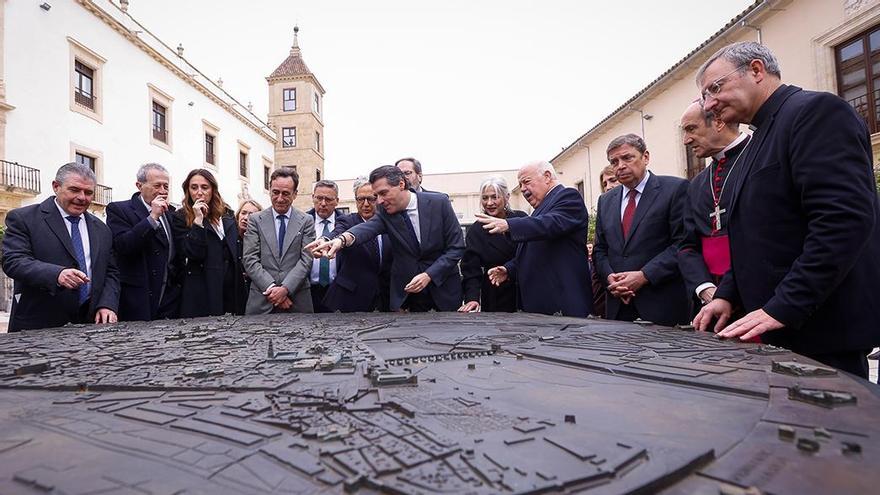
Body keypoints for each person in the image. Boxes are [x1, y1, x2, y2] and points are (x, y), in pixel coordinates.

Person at [693, 41, 880, 378]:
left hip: (821, 331)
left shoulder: (816, 112)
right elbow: (757, 237)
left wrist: (786, 305)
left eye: (714, 89)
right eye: (705, 96)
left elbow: (843, 220)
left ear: (756, 70)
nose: (709, 104)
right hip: (779, 328)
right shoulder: (756, 141)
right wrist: (727, 296)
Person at [307, 165, 464, 312]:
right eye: (377, 196)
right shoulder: (385, 212)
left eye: (383, 193)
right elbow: (365, 229)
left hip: (444, 290)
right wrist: (339, 240)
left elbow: (456, 248)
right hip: (410, 297)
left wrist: (429, 274)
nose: (379, 201)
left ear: (401, 184)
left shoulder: (439, 203)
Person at [2, 162, 119, 331]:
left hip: (90, 327)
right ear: (56, 187)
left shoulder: (102, 229)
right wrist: (57, 274)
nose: (82, 197)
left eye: (88, 192)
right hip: (38, 327)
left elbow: (111, 272)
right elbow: (14, 261)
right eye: (74, 190)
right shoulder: (24, 218)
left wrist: (107, 304)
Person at [592, 134, 689, 326]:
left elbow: (683, 244)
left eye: (627, 158)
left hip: (661, 304)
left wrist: (644, 276)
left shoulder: (675, 189)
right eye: (614, 161)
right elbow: (600, 249)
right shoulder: (606, 201)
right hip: (618, 304)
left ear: (645, 157)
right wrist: (610, 278)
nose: (620, 165)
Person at [477, 161, 592, 317]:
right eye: (520, 184)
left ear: (547, 176)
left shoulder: (568, 197)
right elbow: (536, 251)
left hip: (562, 304)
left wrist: (509, 225)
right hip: (541, 308)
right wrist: (509, 269)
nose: (523, 189)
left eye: (526, 182)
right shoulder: (539, 209)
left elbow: (549, 224)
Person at [678, 101, 750, 309]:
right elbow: (687, 245)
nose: (686, 140)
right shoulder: (697, 184)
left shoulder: (760, 159)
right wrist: (704, 287)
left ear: (718, 121)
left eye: (692, 129)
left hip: (756, 290)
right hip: (709, 300)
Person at [106, 163, 180, 321]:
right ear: (139, 186)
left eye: (166, 186)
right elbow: (123, 245)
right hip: (138, 300)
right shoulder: (119, 210)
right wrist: (152, 218)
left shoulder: (171, 214)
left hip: (168, 302)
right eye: (157, 185)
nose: (162, 191)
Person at [243, 167, 315, 314]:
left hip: (297, 301)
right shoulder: (256, 220)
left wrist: (285, 289)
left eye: (286, 193)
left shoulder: (306, 221)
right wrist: (272, 290)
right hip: (261, 302)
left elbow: (306, 260)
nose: (280, 198)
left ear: (295, 194)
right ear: (270, 190)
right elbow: (249, 258)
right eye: (275, 192)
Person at [171, 169, 242, 317]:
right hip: (202, 291)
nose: (199, 192)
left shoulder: (227, 214)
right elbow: (192, 253)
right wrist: (198, 221)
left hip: (230, 289)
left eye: (204, 187)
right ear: (188, 190)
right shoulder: (180, 217)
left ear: (212, 190)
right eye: (194, 187)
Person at [322, 177, 393, 312]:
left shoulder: (390, 223)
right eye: (361, 199)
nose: (366, 204)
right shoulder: (346, 221)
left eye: (371, 199)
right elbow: (337, 233)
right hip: (350, 299)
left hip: (385, 300)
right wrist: (326, 240)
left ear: (378, 199)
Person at [459, 177, 527, 313]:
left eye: (495, 197)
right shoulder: (476, 231)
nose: (489, 203)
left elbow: (530, 253)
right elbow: (471, 270)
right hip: (496, 296)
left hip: (526, 289)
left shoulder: (522, 219)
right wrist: (472, 298)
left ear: (506, 197)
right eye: (485, 198)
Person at [306, 180, 343, 312]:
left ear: (337, 201)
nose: (322, 203)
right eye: (319, 198)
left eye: (328, 199)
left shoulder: (346, 223)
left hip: (337, 291)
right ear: (313, 198)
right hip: (307, 291)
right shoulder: (302, 221)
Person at [234, 199, 262, 315]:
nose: (245, 218)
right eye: (243, 213)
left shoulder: (261, 241)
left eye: (251, 215)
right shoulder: (229, 237)